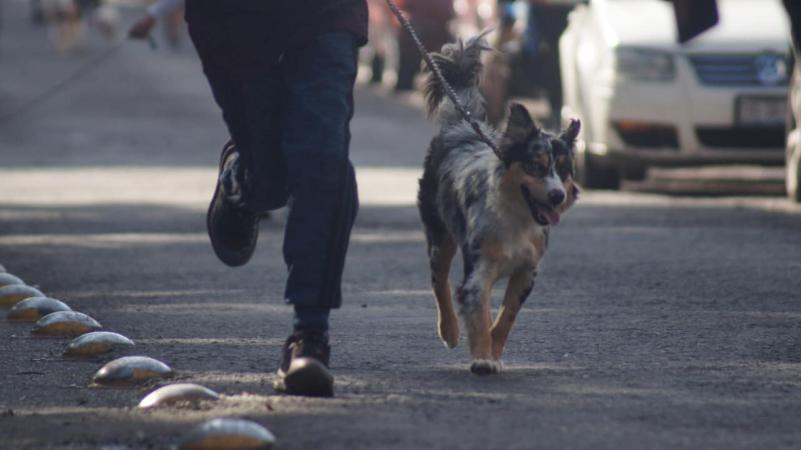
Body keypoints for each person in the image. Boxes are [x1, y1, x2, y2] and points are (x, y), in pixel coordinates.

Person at [130, 1, 367, 398]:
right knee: (270, 181)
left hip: (324, 15)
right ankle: (242, 178)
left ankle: (309, 335)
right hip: (234, 22)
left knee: (323, 160)